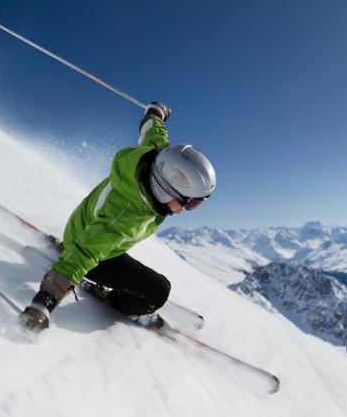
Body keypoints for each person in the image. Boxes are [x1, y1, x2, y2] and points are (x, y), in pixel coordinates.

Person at [19, 102, 216, 331]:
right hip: (92, 250)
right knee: (158, 291)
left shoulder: (154, 158)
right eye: (190, 202)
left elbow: (154, 131)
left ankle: (68, 249)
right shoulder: (124, 214)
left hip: (84, 231)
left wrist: (156, 114)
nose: (186, 209)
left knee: (96, 247)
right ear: (166, 189)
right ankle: (113, 300)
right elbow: (87, 252)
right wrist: (43, 304)